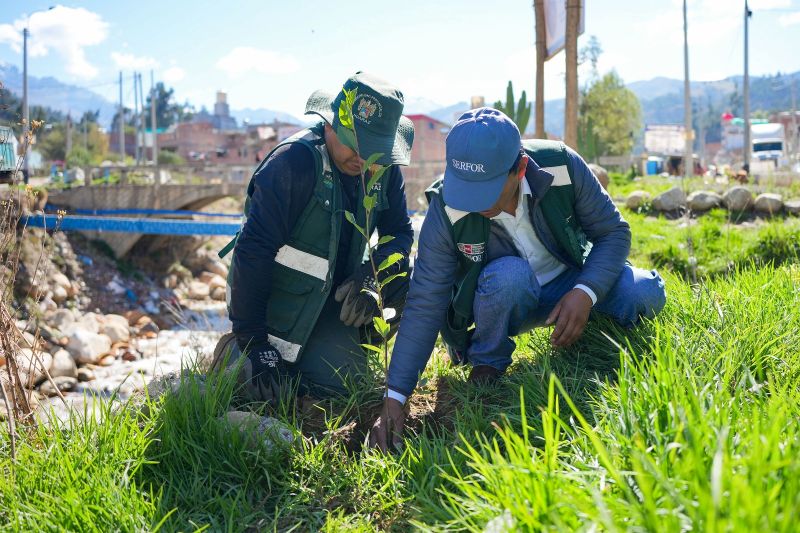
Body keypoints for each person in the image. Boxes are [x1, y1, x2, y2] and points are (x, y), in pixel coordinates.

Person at [370, 107, 666, 450]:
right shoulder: (446, 207)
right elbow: (425, 302)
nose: (472, 203)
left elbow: (613, 233)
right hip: (502, 295)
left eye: (485, 191)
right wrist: (395, 397)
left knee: (643, 293)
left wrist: (586, 291)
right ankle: (487, 363)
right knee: (508, 275)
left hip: (569, 282)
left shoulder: (561, 165)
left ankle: (588, 329)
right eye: (465, 189)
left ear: (520, 168)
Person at [211, 72, 415, 402]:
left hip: (330, 307)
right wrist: (253, 341)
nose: (362, 160)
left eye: (373, 151)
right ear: (330, 124)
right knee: (258, 390)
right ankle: (234, 352)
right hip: (276, 309)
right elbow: (253, 251)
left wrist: (373, 277)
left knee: (343, 391)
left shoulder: (384, 170)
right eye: (354, 145)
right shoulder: (294, 163)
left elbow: (400, 233)